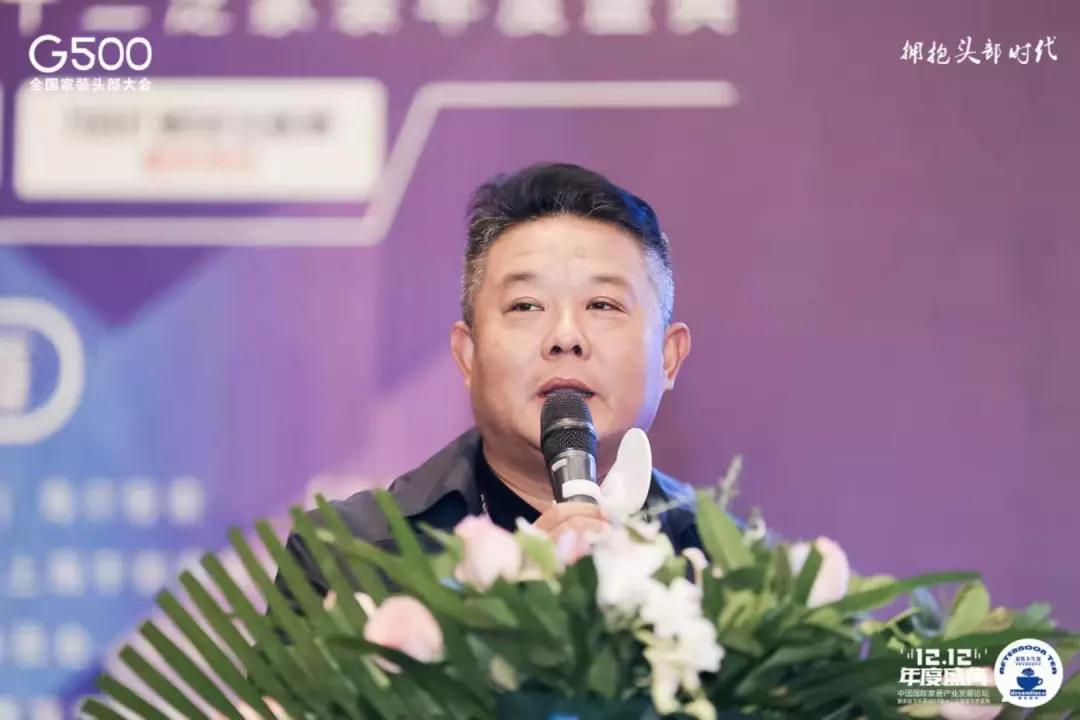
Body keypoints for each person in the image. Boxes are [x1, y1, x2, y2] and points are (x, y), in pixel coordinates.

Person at [276, 162, 699, 606]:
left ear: (669, 357)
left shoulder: (724, 567)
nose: (566, 336)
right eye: (526, 306)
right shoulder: (347, 557)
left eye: (602, 304)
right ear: (467, 354)